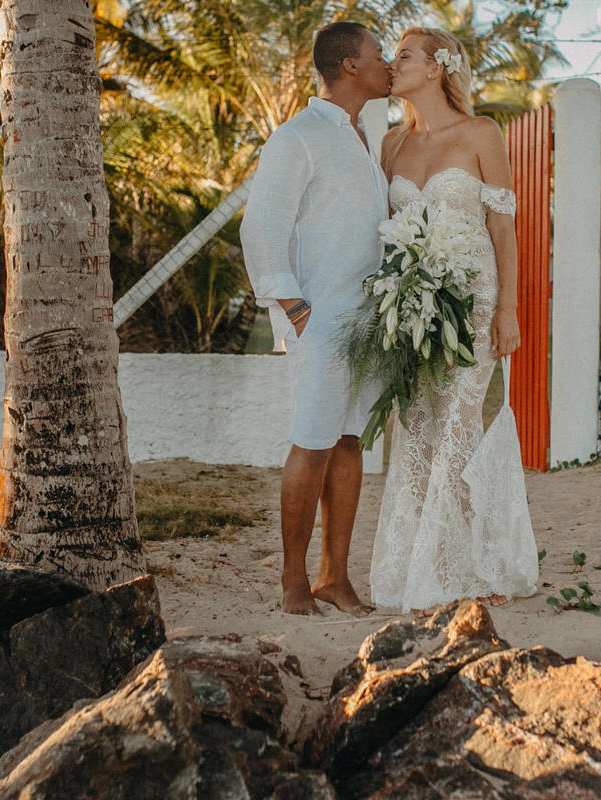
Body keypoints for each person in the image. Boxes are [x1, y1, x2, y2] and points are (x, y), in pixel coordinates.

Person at [368, 27, 538, 612]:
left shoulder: (481, 132)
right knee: (419, 430)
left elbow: (503, 228)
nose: (393, 64)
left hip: (476, 300)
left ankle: (453, 570)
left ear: (438, 67)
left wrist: (510, 309)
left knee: (459, 430)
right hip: (414, 307)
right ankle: (432, 563)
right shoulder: (390, 143)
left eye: (405, 56)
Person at [240, 22, 391, 615]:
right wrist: (293, 305)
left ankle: (335, 576)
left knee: (348, 441)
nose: (385, 65)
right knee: (311, 442)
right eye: (379, 55)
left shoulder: (362, 136)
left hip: (365, 320)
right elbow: (261, 226)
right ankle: (293, 581)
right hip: (320, 320)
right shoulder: (298, 136)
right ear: (350, 66)